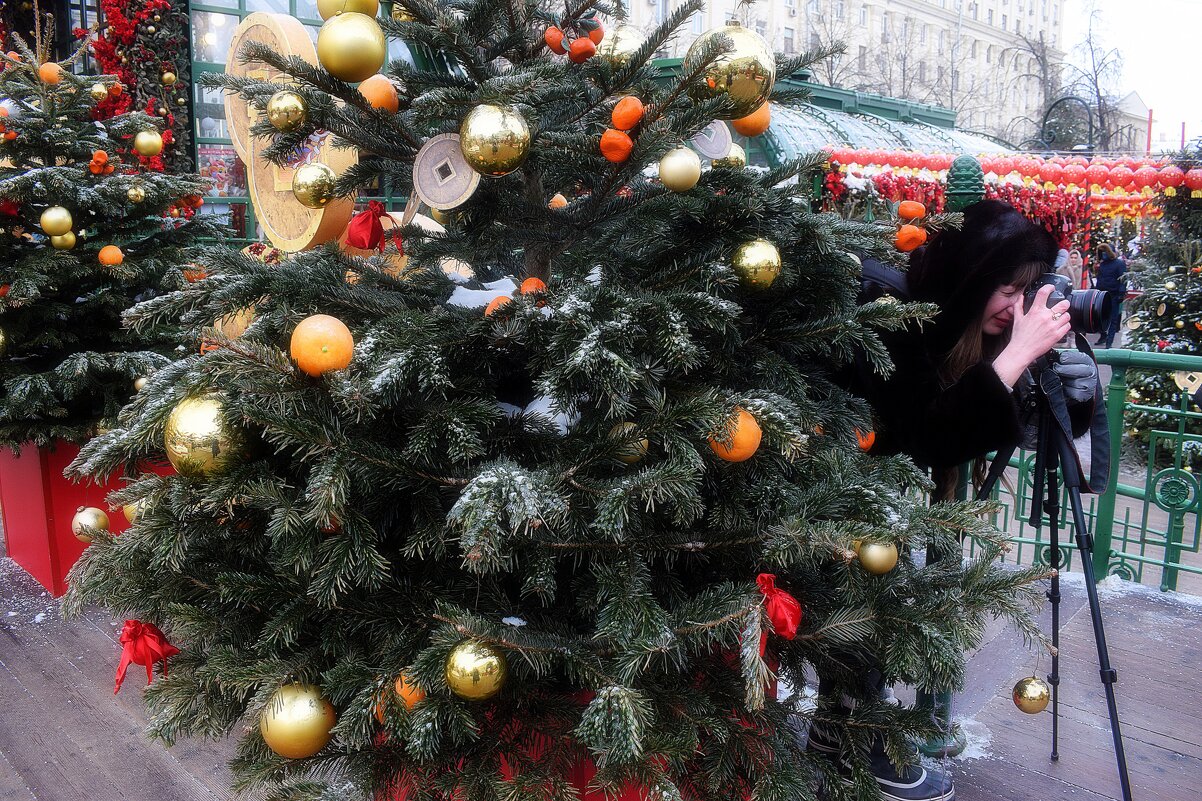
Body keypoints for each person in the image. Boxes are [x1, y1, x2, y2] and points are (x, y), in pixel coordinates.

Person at [815, 201, 1079, 801]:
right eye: (1005, 289)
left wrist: (1073, 394)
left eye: (1026, 290)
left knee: (881, 600)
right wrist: (1013, 358)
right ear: (971, 279)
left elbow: (1002, 424)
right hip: (834, 484)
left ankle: (840, 736)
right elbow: (921, 435)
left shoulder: (965, 328)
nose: (1016, 306)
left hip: (890, 497)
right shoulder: (898, 315)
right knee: (867, 601)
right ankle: (854, 738)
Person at [1094, 243, 1127, 348]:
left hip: (1114, 294)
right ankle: (1103, 336)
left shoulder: (1119, 264)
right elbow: (1100, 279)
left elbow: (1123, 279)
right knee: (1100, 317)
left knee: (1113, 319)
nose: (1103, 254)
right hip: (1102, 294)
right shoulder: (1103, 264)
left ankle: (1109, 342)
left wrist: (1121, 293)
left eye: (1105, 252)